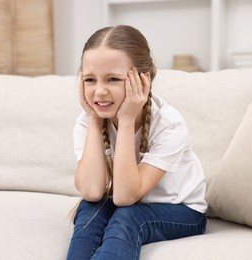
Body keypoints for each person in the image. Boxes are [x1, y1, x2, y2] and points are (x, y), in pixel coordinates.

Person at [66, 25, 207, 260]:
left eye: (113, 79)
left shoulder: (170, 125)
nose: (99, 91)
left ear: (144, 80)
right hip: (125, 202)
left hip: (182, 210)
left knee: (128, 217)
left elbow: (124, 198)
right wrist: (92, 120)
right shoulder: (86, 121)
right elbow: (91, 191)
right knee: (89, 209)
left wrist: (128, 118)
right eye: (90, 79)